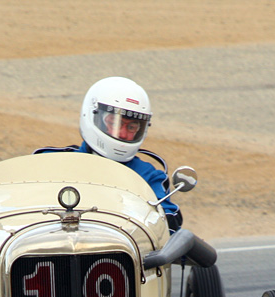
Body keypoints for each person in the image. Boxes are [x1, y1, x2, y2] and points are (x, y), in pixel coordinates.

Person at [35, 76, 183, 230]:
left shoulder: (149, 175)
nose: (123, 134)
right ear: (92, 116)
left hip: (118, 246)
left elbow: (168, 221)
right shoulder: (51, 160)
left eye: (132, 127)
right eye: (114, 123)